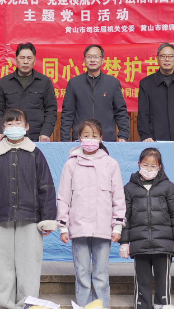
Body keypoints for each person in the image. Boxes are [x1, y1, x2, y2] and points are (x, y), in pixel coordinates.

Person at [0, 108, 58, 309]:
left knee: (29, 265)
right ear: (3, 128)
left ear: (27, 127)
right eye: (10, 124)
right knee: (1, 265)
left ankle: (28, 304)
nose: (14, 127)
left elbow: (46, 187)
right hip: (1, 218)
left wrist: (47, 218)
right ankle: (3, 304)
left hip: (31, 218)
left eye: (18, 123)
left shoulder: (36, 154)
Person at [57, 119, 126, 309]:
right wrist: (63, 226)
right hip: (78, 227)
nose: (90, 139)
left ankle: (101, 306)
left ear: (101, 138)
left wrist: (117, 225)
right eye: (86, 135)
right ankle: (83, 306)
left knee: (101, 274)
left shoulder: (111, 164)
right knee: (82, 273)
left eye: (94, 136)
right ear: (79, 138)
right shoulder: (71, 165)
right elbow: (63, 197)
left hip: (103, 228)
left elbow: (118, 197)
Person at [120, 148, 174, 309]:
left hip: (163, 245)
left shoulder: (168, 187)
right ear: (138, 164)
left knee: (163, 281)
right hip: (139, 244)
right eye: (145, 165)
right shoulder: (129, 188)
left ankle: (163, 306)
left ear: (160, 167)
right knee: (142, 281)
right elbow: (124, 217)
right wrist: (124, 242)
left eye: (153, 166)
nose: (148, 169)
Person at [60, 44, 130, 142]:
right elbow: (68, 113)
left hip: (106, 139)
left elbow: (120, 111)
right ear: (84, 60)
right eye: (89, 57)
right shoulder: (74, 83)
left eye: (96, 57)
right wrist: (65, 139)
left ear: (103, 60)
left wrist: (123, 135)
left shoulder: (113, 83)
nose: (92, 60)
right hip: (82, 139)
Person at [0, 42, 57, 142]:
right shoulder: (5, 82)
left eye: (29, 58)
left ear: (34, 61)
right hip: (10, 136)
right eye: (22, 58)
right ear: (16, 60)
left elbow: (51, 110)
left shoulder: (44, 82)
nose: (25, 61)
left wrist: (45, 133)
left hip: (37, 137)